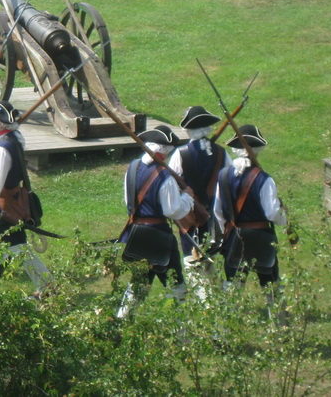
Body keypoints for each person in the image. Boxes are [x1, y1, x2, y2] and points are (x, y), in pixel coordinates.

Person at [0, 100, 52, 296]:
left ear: (1, 123)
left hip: (1, 208)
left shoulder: (3, 147)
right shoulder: (12, 139)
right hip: (6, 205)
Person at [116, 124, 195, 317]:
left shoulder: (132, 167)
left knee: (138, 282)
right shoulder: (165, 176)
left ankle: (121, 321)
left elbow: (129, 201)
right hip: (158, 238)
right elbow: (173, 211)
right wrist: (188, 197)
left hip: (137, 234)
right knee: (176, 284)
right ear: (164, 151)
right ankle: (181, 328)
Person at [212, 124, 287, 317]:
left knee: (232, 288)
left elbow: (218, 211)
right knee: (271, 285)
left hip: (234, 237)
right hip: (261, 238)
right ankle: (280, 328)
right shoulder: (264, 179)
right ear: (257, 150)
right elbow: (272, 213)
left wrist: (224, 237)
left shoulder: (223, 175)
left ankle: (224, 335)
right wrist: (284, 218)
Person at [168, 106, 231, 296]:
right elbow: (229, 182)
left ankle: (205, 309)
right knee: (209, 262)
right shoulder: (221, 153)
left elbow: (171, 183)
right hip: (215, 216)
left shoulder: (181, 154)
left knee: (193, 264)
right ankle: (214, 304)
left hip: (189, 217)